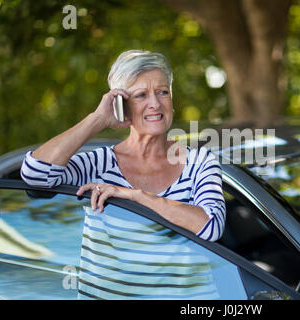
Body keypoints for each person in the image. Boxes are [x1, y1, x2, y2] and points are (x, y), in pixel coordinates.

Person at [20, 50, 227, 299]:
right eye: (141, 95)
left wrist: (135, 196)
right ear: (121, 105)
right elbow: (35, 174)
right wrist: (98, 119)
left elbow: (211, 226)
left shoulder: (200, 162)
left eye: (163, 92)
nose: (155, 103)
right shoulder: (99, 164)